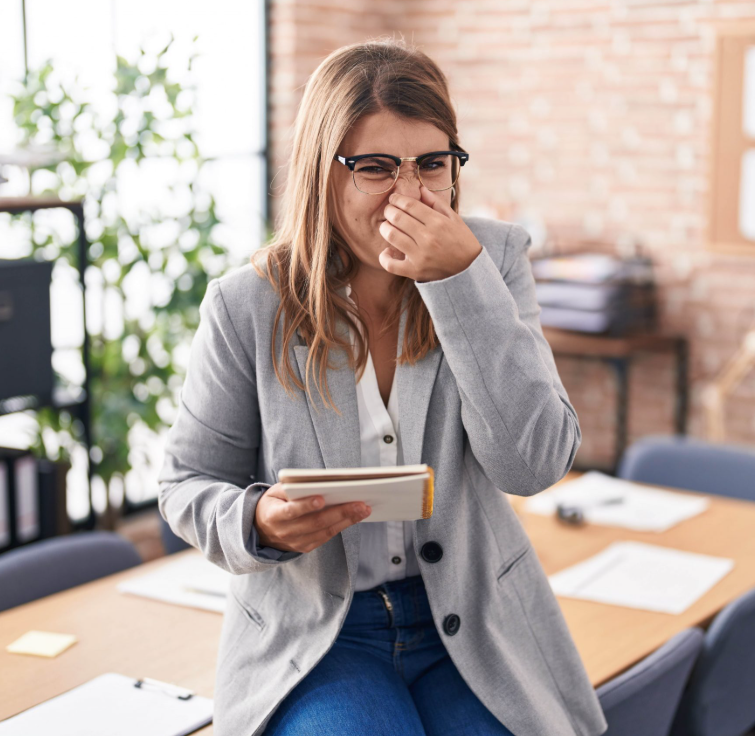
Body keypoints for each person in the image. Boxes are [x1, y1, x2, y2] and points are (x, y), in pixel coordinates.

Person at [158, 38, 607, 736]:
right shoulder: (247, 304)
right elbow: (187, 482)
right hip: (318, 633)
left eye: (432, 164)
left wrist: (458, 283)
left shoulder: (493, 261)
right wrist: (257, 522)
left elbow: (533, 465)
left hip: (476, 619)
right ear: (323, 174)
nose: (410, 195)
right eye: (375, 168)